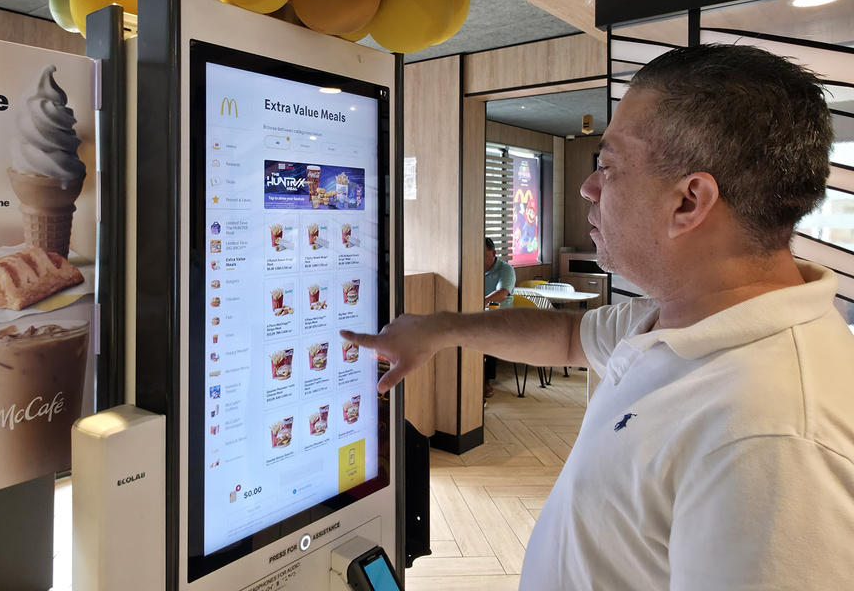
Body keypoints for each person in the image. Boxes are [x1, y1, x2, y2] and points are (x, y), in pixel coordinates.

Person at [343, 43, 854, 590]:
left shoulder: (774, 439)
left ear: (689, 201)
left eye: (607, 165)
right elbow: (566, 335)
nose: (588, 187)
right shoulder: (671, 319)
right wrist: (442, 328)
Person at [483, 237, 517, 398]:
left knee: (490, 336)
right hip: (478, 317)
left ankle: (485, 380)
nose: (479, 260)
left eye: (483, 255)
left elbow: (502, 293)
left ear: (493, 253)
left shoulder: (506, 269)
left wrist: (478, 301)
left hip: (502, 319)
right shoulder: (472, 269)